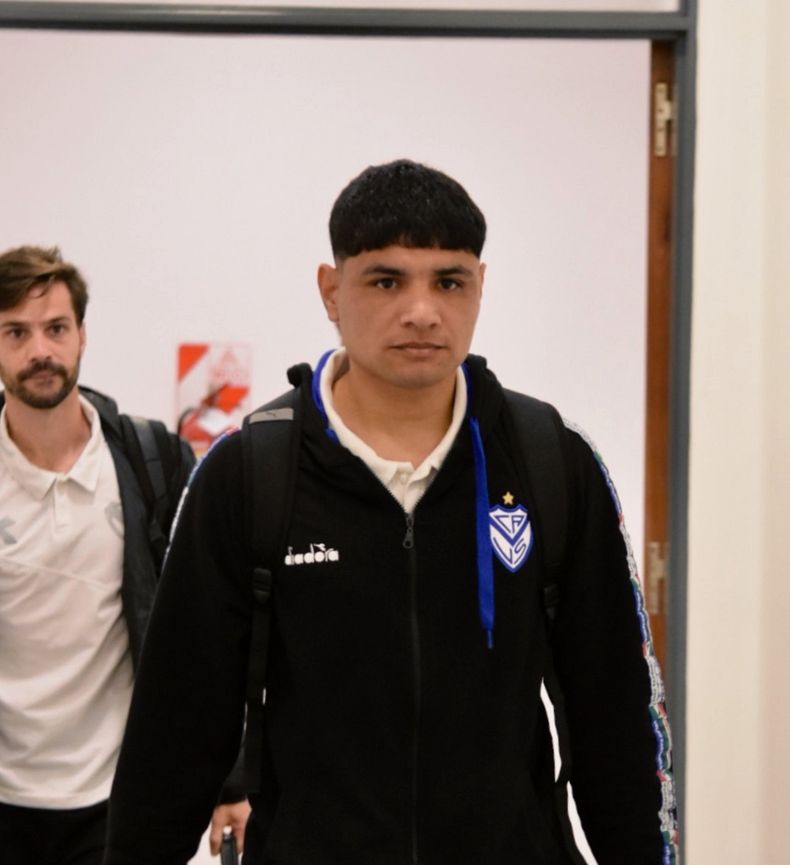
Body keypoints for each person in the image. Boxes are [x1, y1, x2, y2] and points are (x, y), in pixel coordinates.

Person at [103, 160, 679, 865]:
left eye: (449, 281)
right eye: (386, 281)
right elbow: (175, 735)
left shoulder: (550, 462)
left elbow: (615, 721)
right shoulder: (249, 473)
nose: (422, 311)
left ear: (480, 286)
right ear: (331, 290)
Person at [0, 246, 250, 865]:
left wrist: (232, 782)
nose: (40, 350)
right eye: (16, 332)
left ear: (82, 335)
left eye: (56, 328)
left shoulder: (149, 462)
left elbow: (206, 629)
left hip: (118, 800)